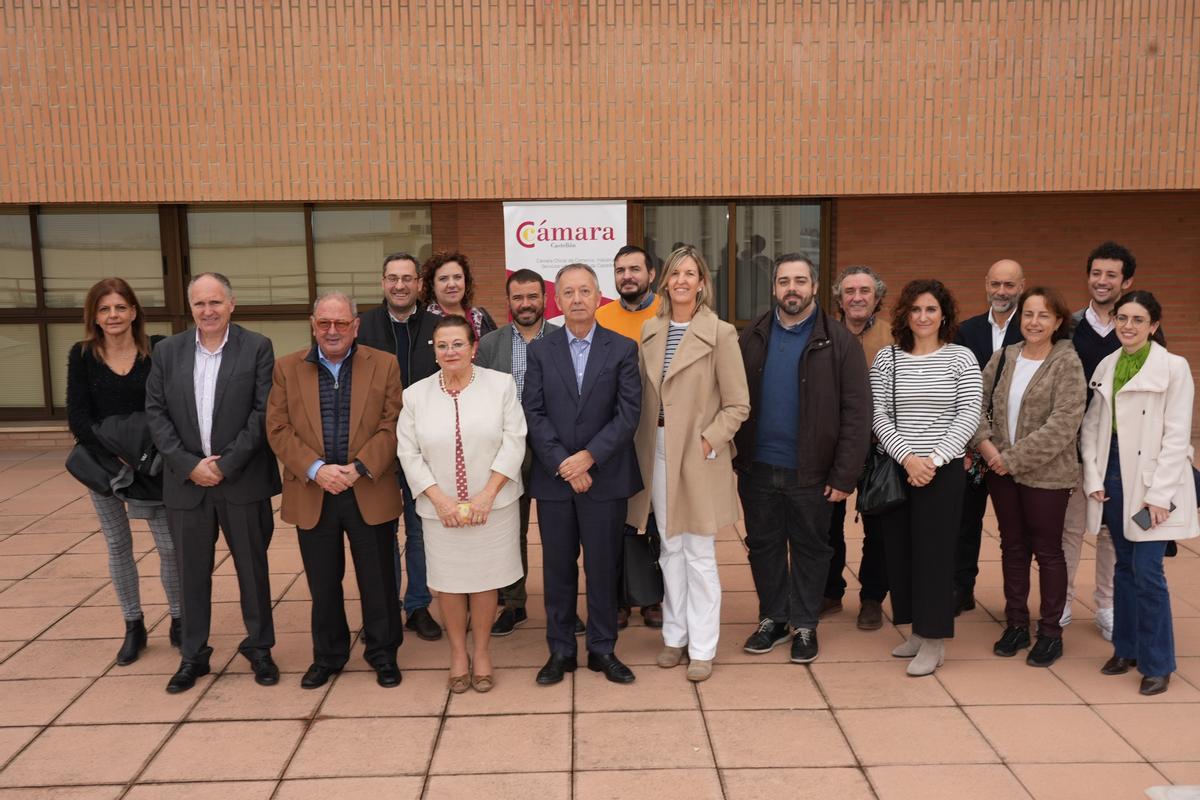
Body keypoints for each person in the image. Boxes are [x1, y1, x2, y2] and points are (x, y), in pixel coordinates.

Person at [145, 272, 281, 694]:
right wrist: (189, 465)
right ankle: (193, 655)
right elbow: (155, 413)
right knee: (191, 574)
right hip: (187, 485)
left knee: (253, 570)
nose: (208, 310)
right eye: (201, 303)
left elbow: (263, 413)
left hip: (241, 481)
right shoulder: (167, 352)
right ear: (191, 308)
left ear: (232, 304)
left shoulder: (257, 347)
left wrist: (225, 464)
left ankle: (259, 648)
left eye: (216, 302)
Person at [735, 254, 872, 665]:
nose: (791, 289)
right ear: (774, 288)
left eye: (799, 281)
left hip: (813, 472)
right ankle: (774, 618)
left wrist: (845, 474)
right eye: (783, 282)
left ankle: (806, 624)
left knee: (812, 548)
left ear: (814, 287)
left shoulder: (840, 341)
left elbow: (857, 411)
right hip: (758, 466)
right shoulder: (752, 335)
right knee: (764, 546)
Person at [266, 292, 405, 689]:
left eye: (341, 323)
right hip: (314, 491)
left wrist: (359, 467)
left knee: (377, 581)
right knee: (323, 582)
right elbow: (277, 429)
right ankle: (328, 655)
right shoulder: (286, 368)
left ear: (355, 326)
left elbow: (393, 424)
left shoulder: (385, 365)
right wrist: (317, 469)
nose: (332, 331)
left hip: (368, 487)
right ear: (313, 324)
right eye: (324, 323)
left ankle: (383, 653)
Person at [627, 246, 749, 681]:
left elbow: (737, 404)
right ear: (666, 282)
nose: (681, 280)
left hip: (697, 453)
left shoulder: (721, 333)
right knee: (668, 547)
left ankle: (702, 646)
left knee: (698, 552)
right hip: (654, 450)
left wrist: (707, 441)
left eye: (690, 273)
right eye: (675, 273)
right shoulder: (650, 329)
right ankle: (674, 637)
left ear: (702, 282)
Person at [523, 263, 642, 686]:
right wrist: (563, 463)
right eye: (568, 292)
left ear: (598, 297)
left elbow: (628, 415)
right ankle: (560, 650)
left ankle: (602, 649)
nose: (576, 299)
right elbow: (533, 413)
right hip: (555, 480)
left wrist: (588, 458)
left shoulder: (623, 349)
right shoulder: (540, 351)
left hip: (604, 477)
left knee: (603, 566)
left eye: (584, 291)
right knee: (557, 567)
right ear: (557, 301)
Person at [397, 315, 527, 693]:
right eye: (442, 345)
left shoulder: (501, 385)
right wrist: (438, 500)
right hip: (440, 510)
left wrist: (488, 495)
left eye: (458, 344)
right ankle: (458, 654)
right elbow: (409, 453)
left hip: (494, 505)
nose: (450, 351)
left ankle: (482, 651)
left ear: (474, 347)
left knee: (485, 579)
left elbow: (514, 439)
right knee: (450, 582)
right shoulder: (415, 395)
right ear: (434, 352)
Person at [1081, 291, 1195, 696]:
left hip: (1152, 481)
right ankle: (1125, 648)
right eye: (1122, 318)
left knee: (1148, 571)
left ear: (1154, 326)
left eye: (1138, 319)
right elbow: (1093, 428)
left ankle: (1157, 662)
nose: (1128, 326)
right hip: (1113, 475)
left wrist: (1160, 495)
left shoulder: (1174, 368)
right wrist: (1093, 478)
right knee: (1123, 567)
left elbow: (1178, 435)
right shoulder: (1107, 365)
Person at [66, 277, 181, 666]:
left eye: (119, 307)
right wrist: (117, 459)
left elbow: (171, 408)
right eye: (104, 309)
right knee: (118, 546)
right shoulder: (81, 356)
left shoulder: (159, 350)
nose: (112, 315)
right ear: (94, 317)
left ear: (133, 312)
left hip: (153, 463)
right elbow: (78, 418)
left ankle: (180, 620)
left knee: (168, 546)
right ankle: (134, 625)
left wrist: (145, 457)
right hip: (106, 466)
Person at [971, 288, 1086, 667]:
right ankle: (1017, 623)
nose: (1034, 322)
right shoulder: (1004, 356)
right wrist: (989, 452)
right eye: (1029, 314)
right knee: (1013, 547)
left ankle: (1050, 632)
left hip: (1047, 475)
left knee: (1048, 552)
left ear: (1057, 323)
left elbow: (1064, 423)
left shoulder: (1066, 362)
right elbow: (976, 404)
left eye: (1043, 315)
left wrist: (1011, 459)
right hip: (1000, 471)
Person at [872, 279, 981, 676]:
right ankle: (916, 631)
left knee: (934, 556)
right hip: (900, 469)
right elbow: (877, 412)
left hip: (942, 469)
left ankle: (934, 641)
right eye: (916, 309)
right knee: (900, 552)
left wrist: (932, 459)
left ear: (944, 315)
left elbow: (969, 412)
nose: (923, 316)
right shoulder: (887, 359)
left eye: (931, 309)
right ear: (905, 314)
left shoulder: (961, 358)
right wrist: (907, 458)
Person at [357, 253, 443, 643]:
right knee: (382, 531)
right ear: (382, 283)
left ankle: (418, 605)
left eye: (408, 279)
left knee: (421, 531)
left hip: (425, 450)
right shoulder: (365, 328)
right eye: (393, 278)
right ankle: (386, 604)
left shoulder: (436, 327)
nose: (400, 286)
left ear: (419, 285)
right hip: (378, 447)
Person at [475, 269, 562, 636]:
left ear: (545, 299)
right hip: (506, 451)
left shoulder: (562, 338)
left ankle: (563, 605)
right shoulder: (491, 344)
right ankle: (513, 603)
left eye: (532, 297)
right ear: (507, 301)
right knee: (510, 530)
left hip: (555, 448)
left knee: (560, 531)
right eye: (517, 298)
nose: (525, 304)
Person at [1065, 242, 1137, 640]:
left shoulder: (1137, 328)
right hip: (1073, 445)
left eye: (1111, 275)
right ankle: (1062, 601)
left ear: (1126, 281)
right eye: (1097, 273)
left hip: (1120, 447)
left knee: (1112, 528)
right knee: (1070, 526)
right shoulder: (1070, 326)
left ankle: (1106, 604)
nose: (1102, 281)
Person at [594, 244, 664, 630]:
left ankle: (653, 597)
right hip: (615, 433)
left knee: (657, 517)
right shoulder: (602, 316)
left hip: (657, 431)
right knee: (617, 518)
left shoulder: (668, 314)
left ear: (651, 274)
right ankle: (619, 599)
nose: (627, 277)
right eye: (620, 270)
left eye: (635, 269)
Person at [953, 259, 1026, 616]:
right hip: (972, 446)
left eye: (1009, 285)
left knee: (1016, 529)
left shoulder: (1033, 329)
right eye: (995, 284)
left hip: (1015, 447)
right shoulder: (966, 331)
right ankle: (961, 590)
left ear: (1021, 286)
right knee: (965, 521)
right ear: (986, 283)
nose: (1001, 291)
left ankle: (1018, 603)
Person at [825, 265, 892, 630]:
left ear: (877, 298)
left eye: (865, 291)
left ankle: (871, 598)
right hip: (832, 447)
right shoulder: (825, 333)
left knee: (877, 527)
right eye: (850, 291)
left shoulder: (893, 337)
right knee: (826, 525)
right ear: (840, 298)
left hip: (879, 448)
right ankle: (829, 591)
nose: (857, 297)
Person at [421, 251, 497, 340]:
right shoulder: (423, 321)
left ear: (465, 281)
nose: (452, 284)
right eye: (443, 279)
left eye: (457, 277)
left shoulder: (481, 316)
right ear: (432, 285)